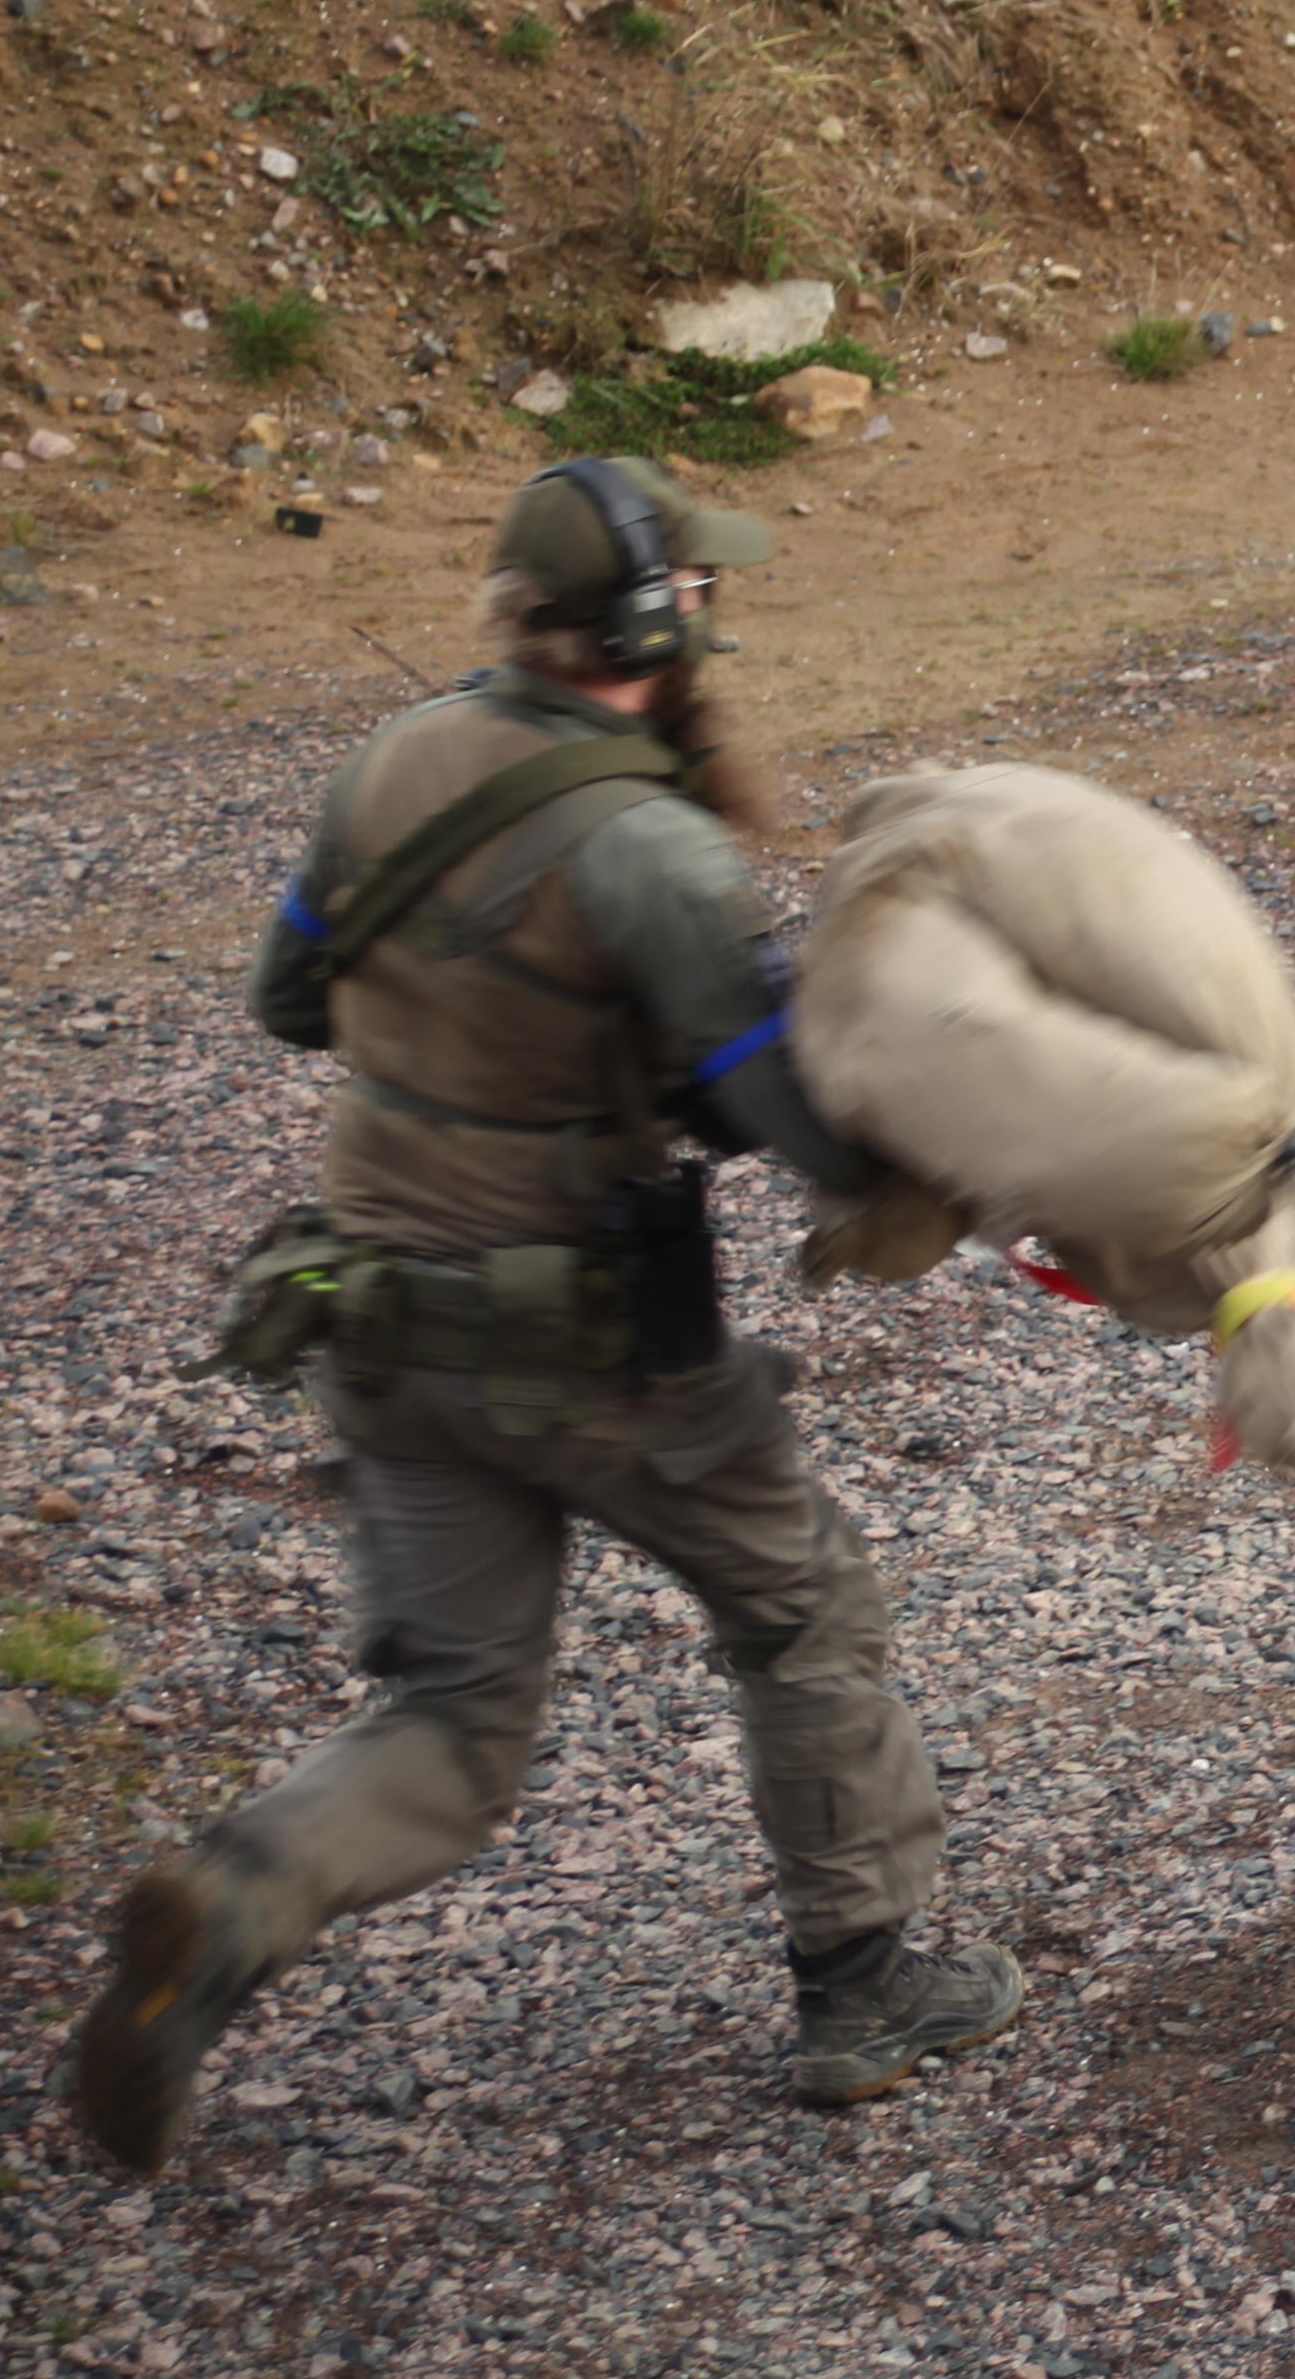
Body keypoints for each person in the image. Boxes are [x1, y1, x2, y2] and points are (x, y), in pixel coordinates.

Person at [62, 456, 1024, 2172]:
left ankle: (227, 1905)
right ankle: (866, 1988)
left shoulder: (392, 762)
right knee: (803, 1609)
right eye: (700, 591)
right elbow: (802, 1129)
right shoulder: (654, 849)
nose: (715, 612)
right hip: (592, 1348)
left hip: (378, 1324)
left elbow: (291, 1000)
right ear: (655, 621)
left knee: (453, 1716)